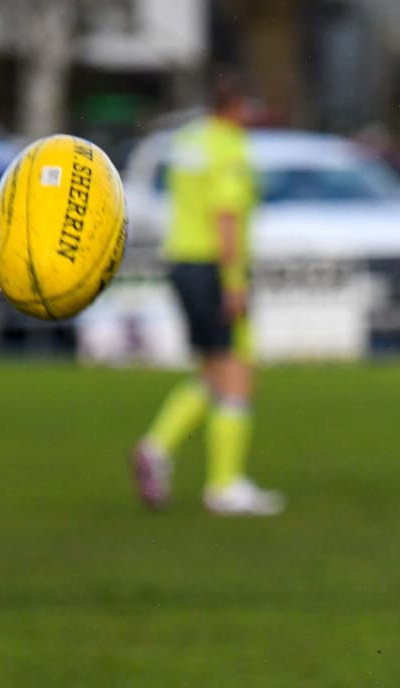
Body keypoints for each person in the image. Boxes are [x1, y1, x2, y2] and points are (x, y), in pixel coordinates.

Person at [131, 70, 285, 517]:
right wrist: (235, 281)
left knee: (213, 373)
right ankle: (224, 486)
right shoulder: (229, 148)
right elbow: (226, 216)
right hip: (215, 267)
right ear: (237, 107)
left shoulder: (187, 141)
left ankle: (155, 448)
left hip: (182, 261)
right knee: (237, 375)